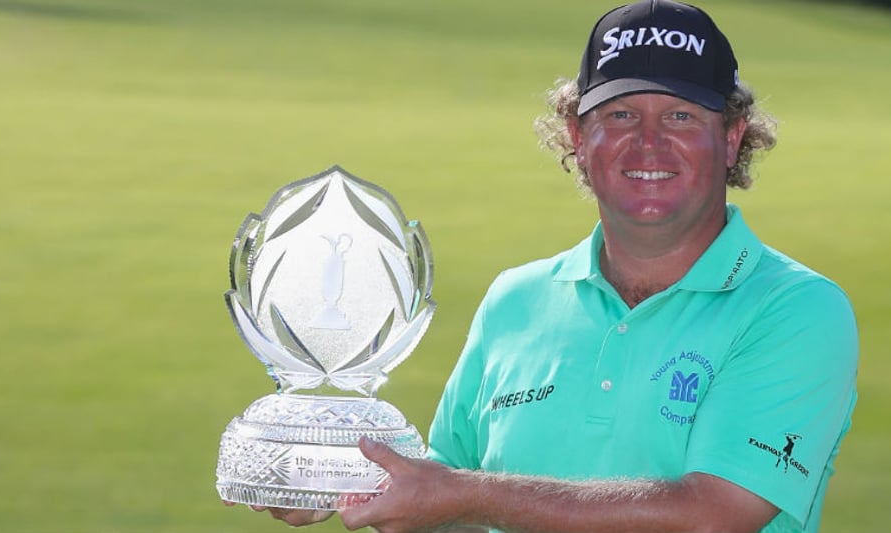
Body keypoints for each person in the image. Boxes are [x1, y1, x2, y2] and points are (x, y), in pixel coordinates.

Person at [235, 1, 858, 531]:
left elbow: (711, 515)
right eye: (619, 115)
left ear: (730, 137)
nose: (648, 142)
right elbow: (443, 502)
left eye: (680, 116)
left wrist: (468, 492)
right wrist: (349, 480)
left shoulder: (796, 309)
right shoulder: (517, 299)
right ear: (578, 137)